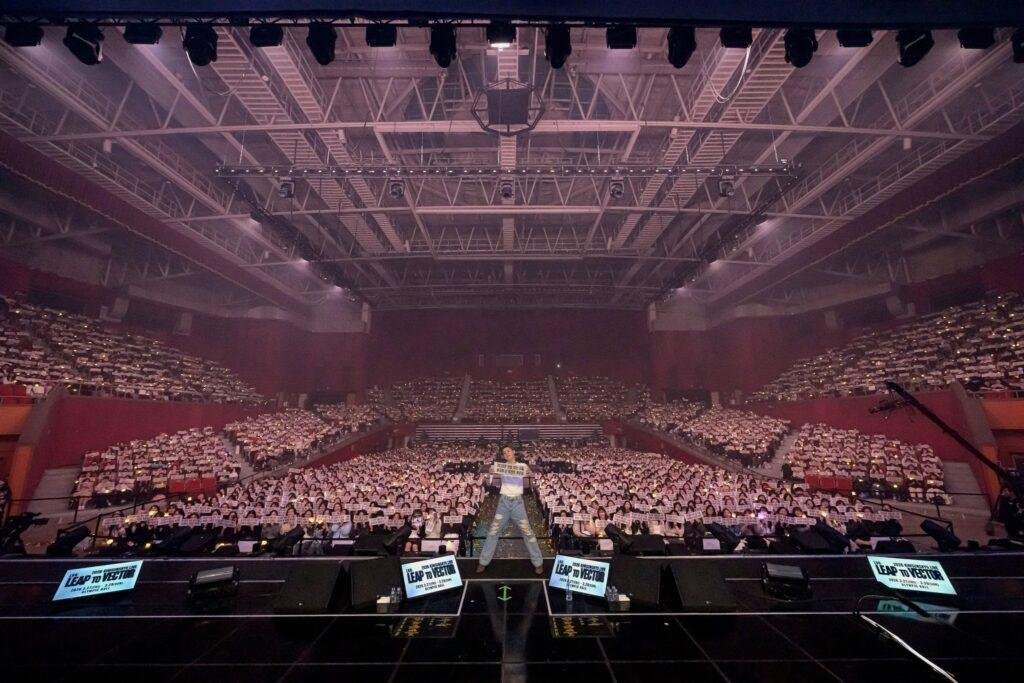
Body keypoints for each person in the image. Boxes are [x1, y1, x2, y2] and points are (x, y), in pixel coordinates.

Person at [476, 446, 544, 575]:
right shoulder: (501, 467)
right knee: (493, 531)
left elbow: (531, 474)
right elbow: (491, 473)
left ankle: (538, 562)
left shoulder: (522, 466)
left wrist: (529, 472)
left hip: (518, 503)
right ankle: (483, 562)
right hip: (503, 503)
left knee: (528, 532)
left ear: (514, 452)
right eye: (504, 452)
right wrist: (491, 471)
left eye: (508, 451)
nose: (506, 453)